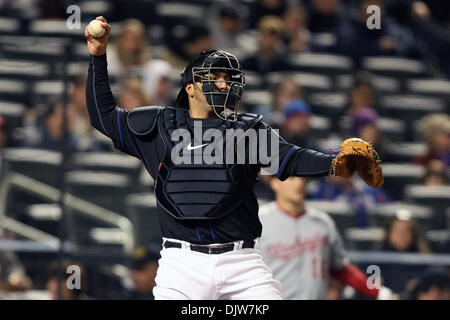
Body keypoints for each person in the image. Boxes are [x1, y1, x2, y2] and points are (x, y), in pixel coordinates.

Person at [84, 16, 382, 300]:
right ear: (190, 87)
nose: (224, 84)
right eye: (214, 77)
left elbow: (290, 158)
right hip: (181, 263)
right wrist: (98, 56)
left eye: (228, 78)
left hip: (241, 261)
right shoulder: (160, 124)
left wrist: (334, 164)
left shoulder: (247, 129)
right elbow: (103, 117)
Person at [259, 176, 394, 299]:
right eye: (292, 178)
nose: (299, 183)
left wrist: (379, 293)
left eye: (302, 178)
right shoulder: (258, 220)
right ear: (274, 183)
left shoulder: (323, 222)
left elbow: (341, 268)